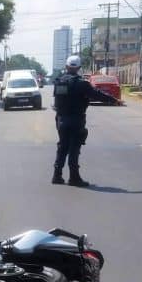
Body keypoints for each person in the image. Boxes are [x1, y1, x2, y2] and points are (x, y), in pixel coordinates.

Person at [52, 55, 120, 187]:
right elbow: (97, 95)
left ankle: (57, 175)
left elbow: (57, 101)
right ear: (79, 68)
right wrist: (114, 100)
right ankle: (74, 178)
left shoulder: (59, 81)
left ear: (66, 67)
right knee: (74, 148)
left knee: (62, 146)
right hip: (76, 119)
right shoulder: (82, 84)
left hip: (61, 119)